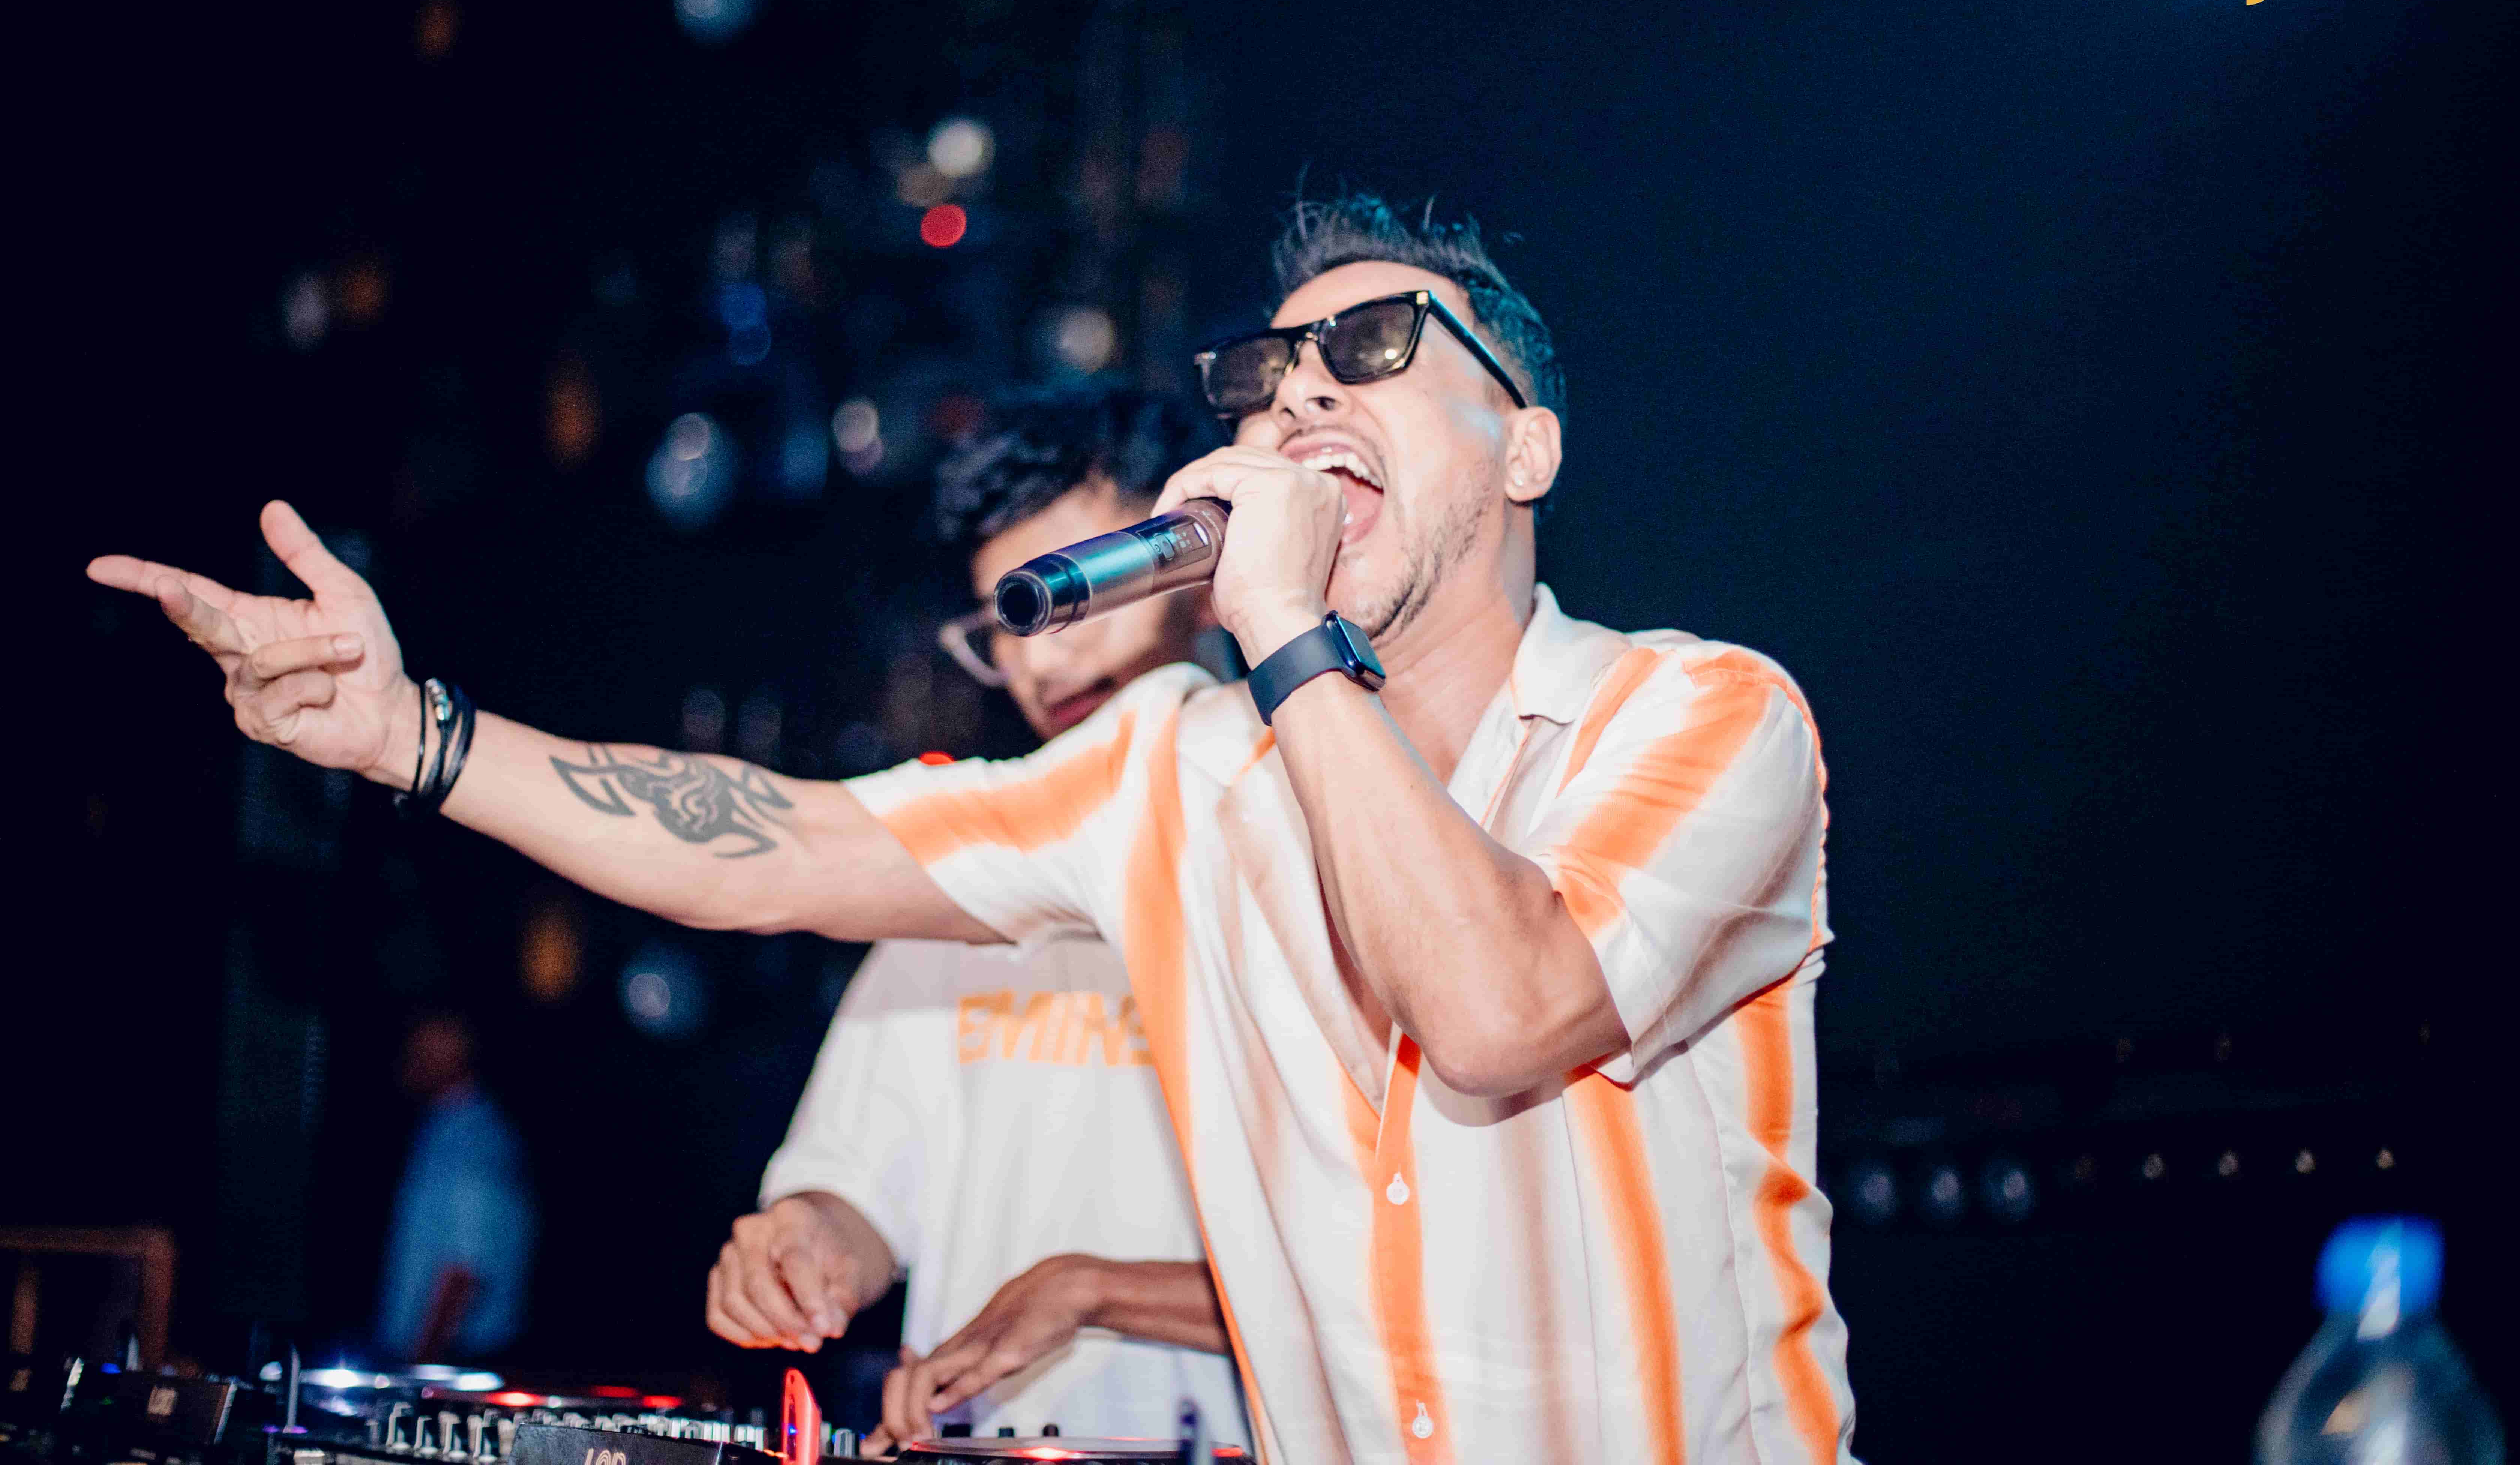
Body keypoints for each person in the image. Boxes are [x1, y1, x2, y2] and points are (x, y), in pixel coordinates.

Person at [93, 190, 1858, 1463]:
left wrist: (1281, 627)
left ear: (1528, 449)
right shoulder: (1178, 765)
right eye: (1269, 373)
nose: (1300, 396)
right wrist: (417, 734)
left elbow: (1499, 1007)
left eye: (1375, 348)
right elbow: (778, 842)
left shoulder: (1706, 719)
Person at [706, 386, 1250, 1447]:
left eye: (1085, 588)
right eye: (1018, 614)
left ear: (1206, 569)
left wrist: (1092, 1289)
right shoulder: (960, 874)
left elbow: (1404, 1272)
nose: (1040, 658)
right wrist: (805, 1243)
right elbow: (858, 1194)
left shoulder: (1319, 839)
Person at [373, 1010, 533, 1365]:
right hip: (430, 1357)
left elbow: (464, 1272)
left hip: (453, 1363)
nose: (407, 1059)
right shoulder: (441, 1128)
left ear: (455, 1050)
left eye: (420, 1048)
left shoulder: (473, 1140)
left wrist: (419, 1371)